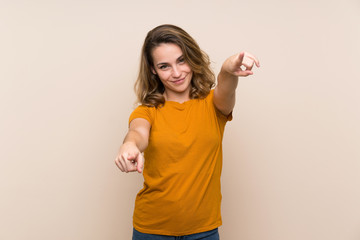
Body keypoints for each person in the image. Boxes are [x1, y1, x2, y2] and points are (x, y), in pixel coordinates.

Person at [115, 24, 260, 240]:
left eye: (181, 60)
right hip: (151, 230)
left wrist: (228, 70)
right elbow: (138, 133)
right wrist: (129, 146)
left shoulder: (213, 105)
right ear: (153, 70)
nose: (176, 73)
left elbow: (226, 87)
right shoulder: (146, 111)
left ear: (191, 58)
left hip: (203, 230)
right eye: (164, 66)